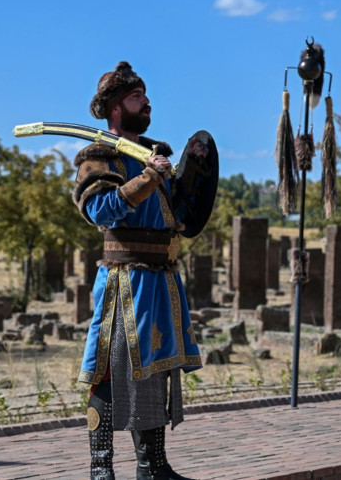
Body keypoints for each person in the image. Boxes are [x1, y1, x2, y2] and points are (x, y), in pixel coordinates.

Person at [73, 61, 202, 480]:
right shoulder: (98, 156)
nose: (145, 102)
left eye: (145, 96)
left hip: (162, 278)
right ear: (114, 108)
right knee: (110, 370)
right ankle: (100, 469)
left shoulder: (156, 153)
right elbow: (100, 210)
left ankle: (154, 467)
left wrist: (192, 171)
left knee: (155, 369)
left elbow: (179, 214)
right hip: (123, 280)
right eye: (135, 97)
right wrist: (148, 177)